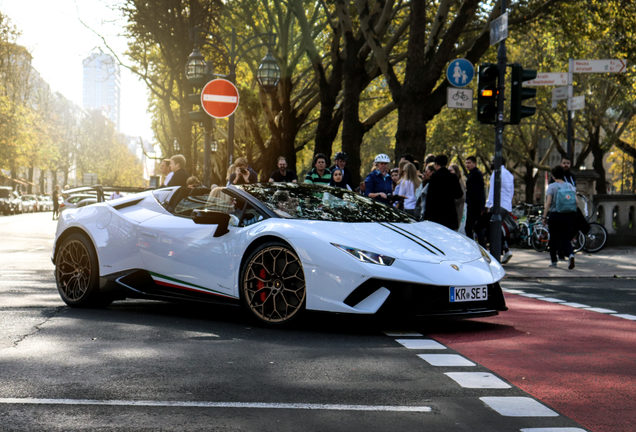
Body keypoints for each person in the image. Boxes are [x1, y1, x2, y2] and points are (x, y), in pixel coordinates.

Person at [544, 165, 578, 269]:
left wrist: (544, 216)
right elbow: (576, 202)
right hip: (568, 215)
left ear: (553, 176)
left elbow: (548, 203)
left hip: (555, 215)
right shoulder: (570, 186)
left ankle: (554, 261)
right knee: (566, 238)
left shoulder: (552, 186)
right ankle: (571, 254)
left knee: (553, 239)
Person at [485, 158, 515, 263]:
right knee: (498, 228)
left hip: (497, 205)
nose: (491, 163)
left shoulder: (496, 173)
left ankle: (500, 250)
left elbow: (492, 191)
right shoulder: (510, 175)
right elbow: (511, 192)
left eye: (493, 161)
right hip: (506, 205)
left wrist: (488, 205)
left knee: (492, 228)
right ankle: (505, 249)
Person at [423, 154, 463, 230]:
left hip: (436, 214)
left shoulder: (434, 177)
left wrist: (426, 216)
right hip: (449, 213)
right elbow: (459, 194)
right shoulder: (453, 177)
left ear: (436, 164)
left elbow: (430, 198)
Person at [464, 156, 486, 244]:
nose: (467, 165)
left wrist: (481, 207)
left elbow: (480, 192)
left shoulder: (476, 174)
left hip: (475, 207)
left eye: (469, 163)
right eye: (466, 163)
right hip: (474, 206)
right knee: (475, 229)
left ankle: (474, 246)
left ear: (474, 163)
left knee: (471, 228)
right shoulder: (473, 174)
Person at [449, 163, 466, 233]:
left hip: (457, 212)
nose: (449, 172)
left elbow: (462, 197)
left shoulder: (459, 183)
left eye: (451, 170)